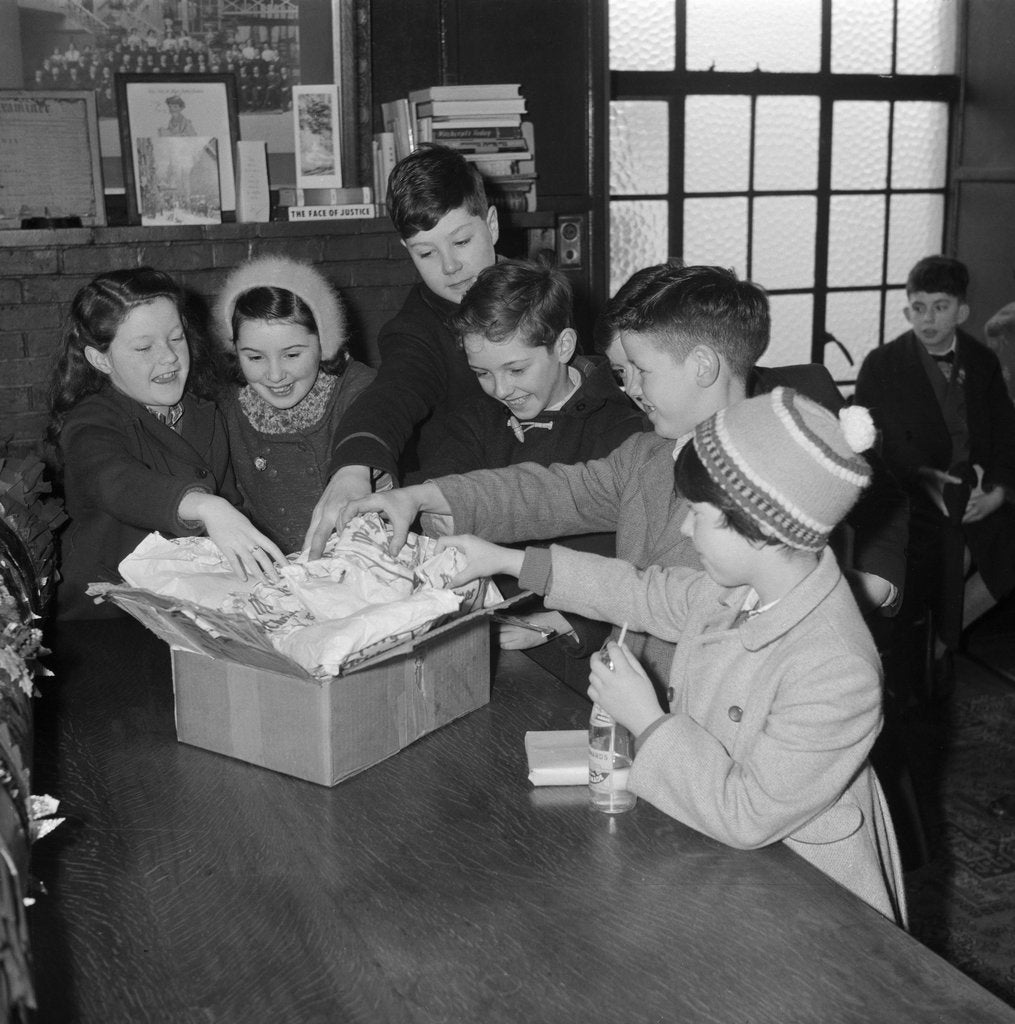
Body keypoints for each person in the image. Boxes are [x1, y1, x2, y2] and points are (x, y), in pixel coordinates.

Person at [434, 388, 906, 924]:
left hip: (808, 902)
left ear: (761, 527)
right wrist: (502, 559)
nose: (684, 528)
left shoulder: (837, 667)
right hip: (720, 860)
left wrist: (647, 720)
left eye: (699, 514)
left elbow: (747, 815)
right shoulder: (745, 589)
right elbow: (643, 591)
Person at [336, 263, 908, 696]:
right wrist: (423, 495)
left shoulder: (779, 464)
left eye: (640, 371)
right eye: (622, 371)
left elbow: (667, 597)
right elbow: (549, 489)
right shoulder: (647, 453)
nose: (628, 387)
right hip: (641, 702)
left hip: (730, 714)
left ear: (703, 366)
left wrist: (870, 583)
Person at [421, 256, 647, 675]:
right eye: (482, 373)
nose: (501, 390)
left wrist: (567, 623)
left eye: (516, 369)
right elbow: (441, 485)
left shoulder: (621, 429)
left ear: (563, 346)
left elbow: (631, 566)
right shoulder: (476, 417)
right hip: (483, 629)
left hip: (580, 646)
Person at [49, 267, 285, 620]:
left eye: (176, 338)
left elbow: (236, 503)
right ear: (101, 359)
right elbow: (114, 480)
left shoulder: (206, 412)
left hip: (196, 608)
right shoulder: (91, 420)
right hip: (111, 619)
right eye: (144, 347)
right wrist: (205, 505)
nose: (169, 357)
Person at [302, 143, 499, 557]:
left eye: (461, 241)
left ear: (492, 225)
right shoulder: (413, 330)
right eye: (426, 253)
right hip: (462, 530)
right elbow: (391, 394)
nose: (449, 267)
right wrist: (353, 466)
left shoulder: (545, 295)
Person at [856, 256, 1015, 688]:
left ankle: (944, 638)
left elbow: (1005, 432)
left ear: (961, 312)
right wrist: (926, 479)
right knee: (948, 551)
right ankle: (918, 656)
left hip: (975, 486)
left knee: (1005, 546)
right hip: (910, 489)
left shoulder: (981, 362)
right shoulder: (881, 364)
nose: (927, 318)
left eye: (940, 307)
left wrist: (999, 491)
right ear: (907, 310)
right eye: (918, 307)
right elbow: (875, 443)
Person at [212, 256, 376, 554]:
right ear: (235, 352)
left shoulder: (361, 389)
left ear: (325, 342)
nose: (275, 375)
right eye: (255, 357)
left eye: (291, 355)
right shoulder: (225, 405)